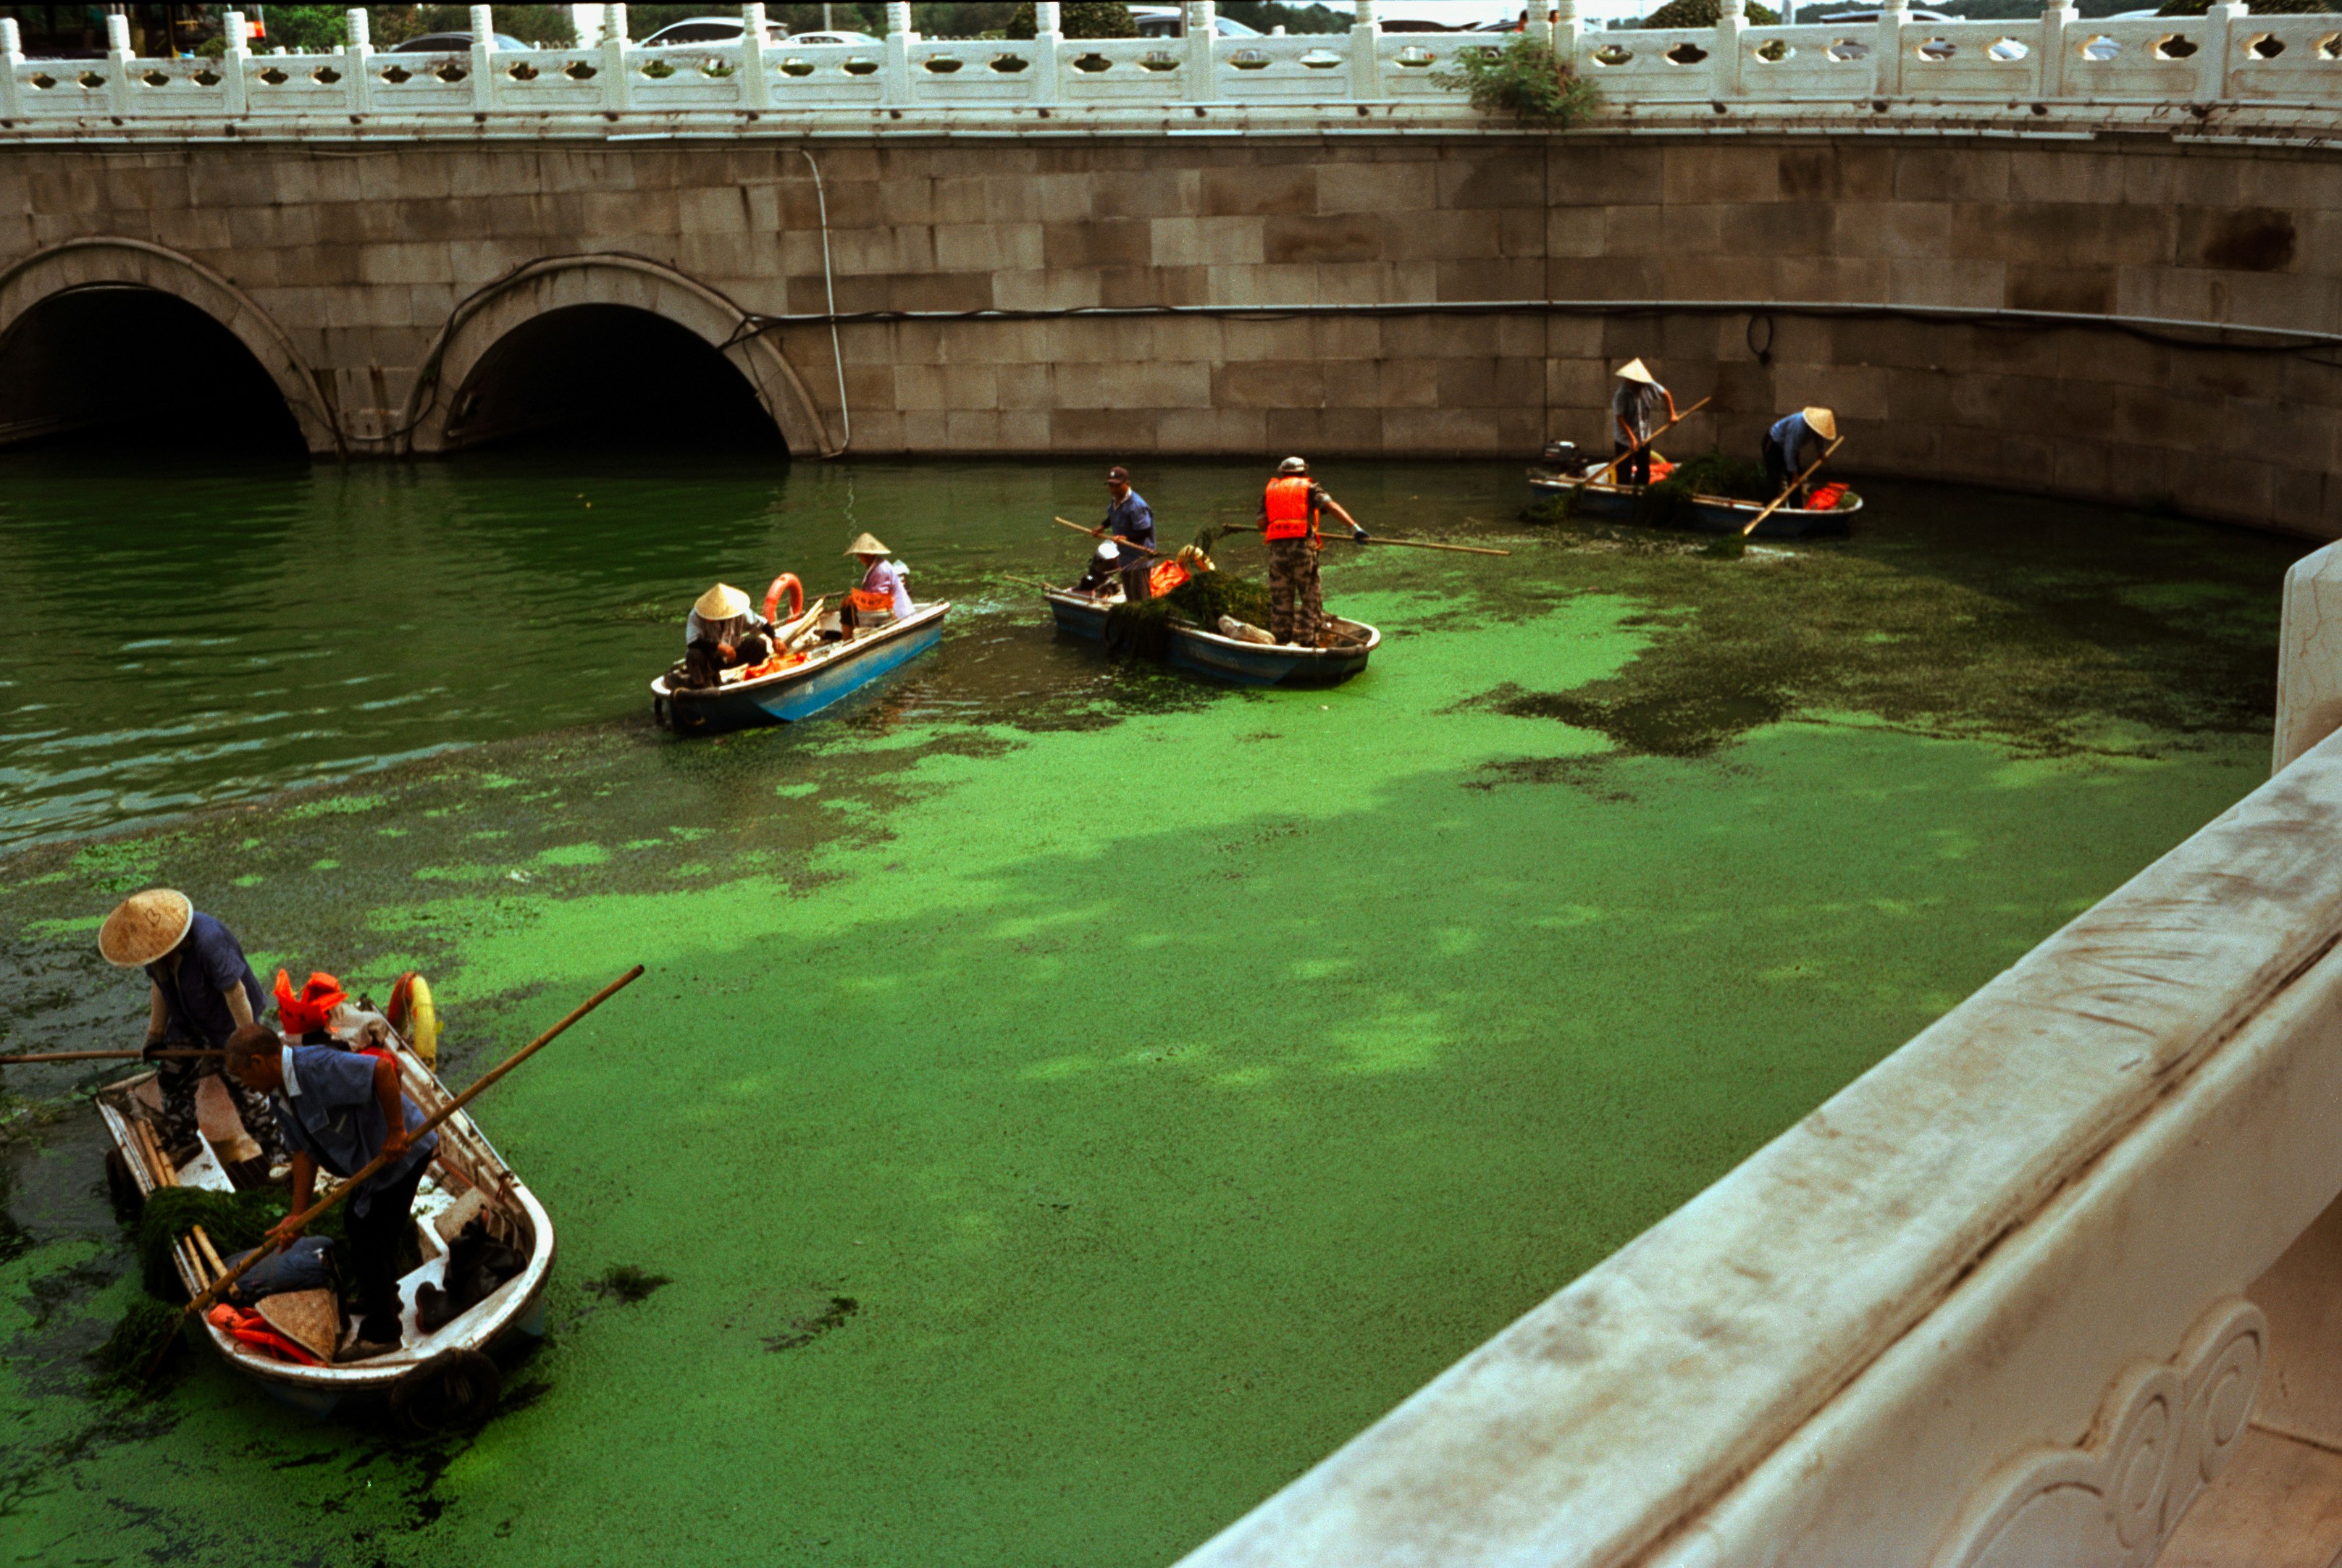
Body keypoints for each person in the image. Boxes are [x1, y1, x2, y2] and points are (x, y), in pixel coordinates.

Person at [227, 1023, 439, 1363]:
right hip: (368, 1167)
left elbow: (382, 1070)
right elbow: (303, 1152)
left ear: (258, 1063)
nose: (245, 1086)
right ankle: (384, 1297)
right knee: (357, 1225)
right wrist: (298, 1215)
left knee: (369, 1238)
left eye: (243, 1077)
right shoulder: (279, 1097)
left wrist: (397, 1131)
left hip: (402, 1155)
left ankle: (383, 1333)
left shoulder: (317, 1067)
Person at [98, 888, 279, 1162]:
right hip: (188, 1016)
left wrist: (246, 1037)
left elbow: (235, 992)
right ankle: (184, 1140)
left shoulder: (208, 941)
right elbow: (159, 987)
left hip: (227, 1018)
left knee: (246, 1087)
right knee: (173, 1078)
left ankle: (279, 1152)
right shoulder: (154, 951)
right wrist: (155, 1034)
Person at [1259, 457, 1367, 648]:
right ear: (1304, 472)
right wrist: (1354, 527)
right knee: (1309, 596)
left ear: (1282, 473)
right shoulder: (1310, 488)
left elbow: (1261, 523)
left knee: (1280, 598)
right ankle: (1308, 642)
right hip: (1302, 550)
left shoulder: (1271, 491)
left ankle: (1281, 641)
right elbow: (1330, 506)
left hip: (1277, 552)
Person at [680, 583, 773, 689]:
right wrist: (720, 646)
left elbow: (761, 623)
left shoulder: (738, 611)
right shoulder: (696, 615)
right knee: (693, 655)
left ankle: (754, 678)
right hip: (711, 658)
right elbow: (693, 642)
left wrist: (775, 638)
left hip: (733, 655)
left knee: (759, 644)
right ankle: (701, 687)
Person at [1090, 465, 1156, 604]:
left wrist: (1126, 538)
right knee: (1130, 595)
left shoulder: (1136, 506)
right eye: (1110, 486)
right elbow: (1112, 517)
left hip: (1139, 558)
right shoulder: (1116, 500)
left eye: (1116, 486)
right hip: (1125, 556)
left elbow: (1145, 531)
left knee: (1140, 596)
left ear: (1127, 484)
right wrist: (1102, 527)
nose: (1113, 490)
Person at [1609, 359, 1679, 489]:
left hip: (1644, 437)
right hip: (1624, 439)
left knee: (1644, 471)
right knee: (1623, 474)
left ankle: (1640, 494)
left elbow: (1666, 394)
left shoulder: (1649, 385)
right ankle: (1624, 497)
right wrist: (1632, 439)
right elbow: (1620, 418)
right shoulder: (1622, 394)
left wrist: (1672, 414)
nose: (1631, 383)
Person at [1762, 406, 1838, 507]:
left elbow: (1819, 438)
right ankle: (1768, 507)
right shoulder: (1799, 426)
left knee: (1797, 483)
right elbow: (1790, 449)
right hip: (1774, 444)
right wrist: (1793, 472)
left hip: (1790, 448)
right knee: (1774, 478)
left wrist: (1821, 453)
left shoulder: (1816, 428)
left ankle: (1796, 508)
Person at [845, 532, 915, 627]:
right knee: (847, 606)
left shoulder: (881, 569)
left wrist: (856, 600)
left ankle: (848, 639)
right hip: (883, 612)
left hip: (898, 615)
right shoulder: (874, 567)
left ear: (868, 555)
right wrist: (854, 598)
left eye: (860, 555)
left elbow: (878, 599)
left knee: (847, 610)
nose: (859, 557)